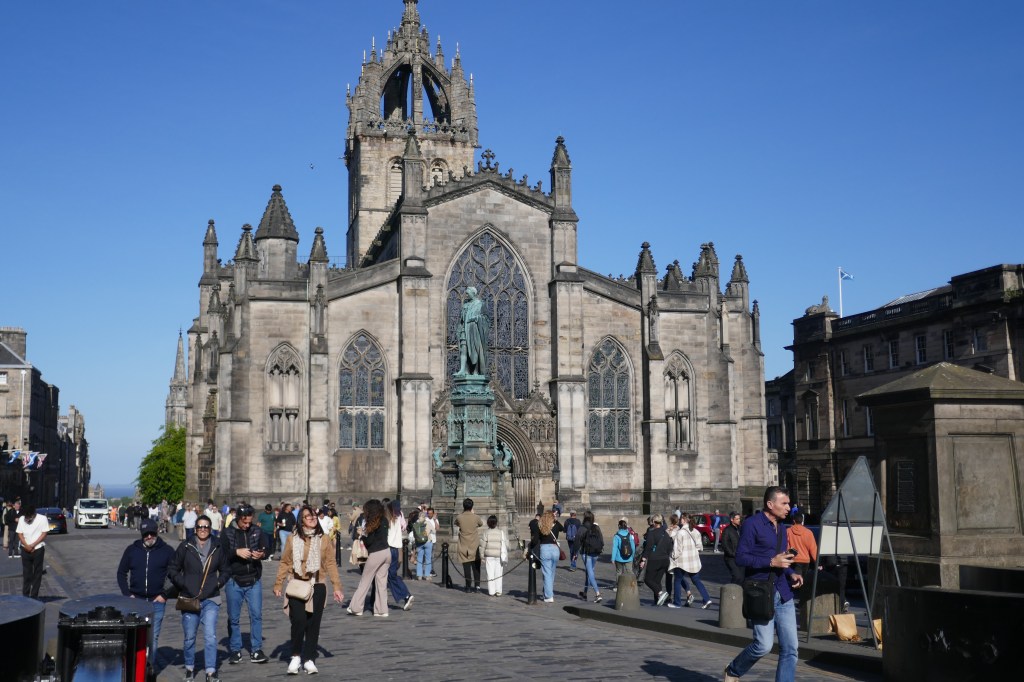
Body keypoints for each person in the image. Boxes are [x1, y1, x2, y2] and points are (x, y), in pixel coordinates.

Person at [724, 486, 803, 682]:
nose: (789, 508)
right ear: (770, 504)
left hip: (783, 592)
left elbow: (780, 558)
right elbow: (741, 557)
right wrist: (770, 562)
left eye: (789, 504)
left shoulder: (782, 528)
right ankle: (733, 670)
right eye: (784, 503)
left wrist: (791, 572)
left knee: (791, 648)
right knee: (763, 645)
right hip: (761, 592)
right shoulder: (752, 524)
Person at [273, 505, 344, 675]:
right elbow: (285, 562)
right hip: (297, 585)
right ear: (301, 520)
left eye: (313, 516)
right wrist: (278, 583)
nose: (312, 518)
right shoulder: (292, 538)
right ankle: (296, 656)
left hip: (317, 585)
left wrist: (337, 587)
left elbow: (330, 563)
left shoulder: (324, 539)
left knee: (313, 624)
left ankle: (309, 659)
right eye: (307, 516)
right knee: (298, 621)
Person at [168, 514, 229, 682]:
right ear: (195, 529)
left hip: (211, 598)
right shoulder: (185, 546)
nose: (203, 529)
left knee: (210, 635)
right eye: (200, 527)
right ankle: (189, 667)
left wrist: (218, 583)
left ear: (210, 529)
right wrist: (183, 583)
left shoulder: (217, 546)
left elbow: (226, 570)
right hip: (189, 598)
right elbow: (172, 568)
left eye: (206, 527)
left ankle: (210, 671)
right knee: (189, 637)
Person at [117, 518, 175, 667]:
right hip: (136, 600)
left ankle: (149, 669)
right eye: (146, 534)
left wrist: (165, 594)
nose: (149, 537)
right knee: (134, 636)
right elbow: (121, 573)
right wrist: (127, 594)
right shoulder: (132, 550)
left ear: (156, 532)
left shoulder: (167, 551)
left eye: (151, 533)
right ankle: (134, 668)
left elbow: (175, 574)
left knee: (153, 637)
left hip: (157, 601)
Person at [221, 504, 269, 665]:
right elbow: (221, 554)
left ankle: (256, 649)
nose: (247, 525)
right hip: (234, 580)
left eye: (249, 522)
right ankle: (235, 650)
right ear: (238, 519)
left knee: (256, 615)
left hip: (254, 579)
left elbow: (266, 548)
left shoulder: (256, 531)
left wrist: (261, 554)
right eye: (245, 523)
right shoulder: (227, 532)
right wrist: (236, 552)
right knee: (234, 618)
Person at [347, 499, 390, 617]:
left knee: (365, 581)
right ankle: (381, 610)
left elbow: (370, 541)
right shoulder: (384, 519)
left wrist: (362, 535)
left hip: (376, 553)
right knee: (381, 582)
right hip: (387, 552)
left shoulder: (373, 522)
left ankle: (356, 607)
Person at [668, 513, 712, 609]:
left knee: (677, 580)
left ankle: (677, 602)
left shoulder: (680, 533)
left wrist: (673, 557)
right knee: (696, 580)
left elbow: (677, 550)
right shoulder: (696, 531)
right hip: (693, 560)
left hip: (682, 561)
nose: (680, 520)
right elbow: (700, 547)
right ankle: (707, 599)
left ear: (683, 520)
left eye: (681, 519)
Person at [529, 510, 564, 603]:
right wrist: (556, 520)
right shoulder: (555, 525)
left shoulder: (541, 526)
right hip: (555, 549)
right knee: (551, 573)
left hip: (545, 549)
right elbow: (562, 528)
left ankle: (549, 596)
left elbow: (535, 540)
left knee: (547, 573)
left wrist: (531, 546)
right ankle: (548, 593)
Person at [385, 500, 414, 610]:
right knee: (389, 575)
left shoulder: (388, 517)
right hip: (396, 549)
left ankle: (406, 595)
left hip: (388, 548)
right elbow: (404, 527)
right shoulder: (400, 515)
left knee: (389, 576)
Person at [639, 514, 671, 606]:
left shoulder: (652, 533)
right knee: (656, 581)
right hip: (665, 560)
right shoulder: (666, 533)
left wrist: (643, 560)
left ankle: (660, 593)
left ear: (653, 522)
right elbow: (669, 547)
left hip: (655, 560)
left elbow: (648, 548)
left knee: (648, 579)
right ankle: (658, 600)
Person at [17, 505, 48, 598]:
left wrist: (33, 544)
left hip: (38, 548)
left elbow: (44, 533)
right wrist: (27, 546)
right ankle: (25, 595)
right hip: (25, 549)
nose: (27, 519)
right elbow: (20, 533)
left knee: (37, 573)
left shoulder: (42, 519)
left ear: (34, 515)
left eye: (29, 517)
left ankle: (34, 595)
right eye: (26, 517)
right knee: (26, 573)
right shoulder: (22, 519)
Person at [456, 286, 488, 375]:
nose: (466, 295)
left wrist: (476, 318)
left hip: (474, 330)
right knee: (463, 349)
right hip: (464, 329)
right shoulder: (465, 305)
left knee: (475, 350)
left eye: (467, 293)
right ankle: (463, 369)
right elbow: (461, 320)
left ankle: (476, 371)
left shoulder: (480, 304)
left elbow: (486, 318)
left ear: (473, 293)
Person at [454, 497, 483, 592]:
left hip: (464, 545)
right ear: (472, 507)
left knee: (466, 567)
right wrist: (473, 514)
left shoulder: (459, 517)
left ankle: (468, 586)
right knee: (476, 567)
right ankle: (477, 586)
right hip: (474, 545)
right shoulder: (476, 517)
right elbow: (481, 523)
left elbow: (456, 523)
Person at [576, 510, 604, 603]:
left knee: (590, 573)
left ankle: (598, 594)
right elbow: (601, 540)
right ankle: (585, 593)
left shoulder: (582, 528)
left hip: (586, 553)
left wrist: (574, 554)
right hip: (595, 553)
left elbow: (577, 541)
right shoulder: (596, 527)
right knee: (589, 572)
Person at [480, 515, 508, 596]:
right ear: (496, 523)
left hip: (489, 556)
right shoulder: (501, 532)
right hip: (499, 555)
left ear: (488, 523)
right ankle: (498, 590)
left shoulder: (486, 532)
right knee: (498, 574)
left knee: (490, 573)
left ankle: (491, 591)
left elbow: (482, 546)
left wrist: (482, 556)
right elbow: (506, 544)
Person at [786, 512, 817, 581]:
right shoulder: (808, 532)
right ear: (802, 521)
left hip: (793, 560)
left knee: (794, 582)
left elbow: (785, 546)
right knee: (802, 581)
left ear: (793, 520)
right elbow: (813, 549)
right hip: (805, 561)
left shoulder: (788, 531)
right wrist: (817, 562)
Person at [721, 511, 745, 585]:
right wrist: (732, 553)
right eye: (737, 519)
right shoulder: (727, 530)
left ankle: (739, 593)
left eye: (739, 519)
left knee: (742, 577)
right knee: (736, 576)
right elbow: (724, 545)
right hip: (731, 557)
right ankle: (731, 592)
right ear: (732, 519)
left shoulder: (740, 529)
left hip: (741, 556)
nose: (739, 520)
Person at [413, 506, 436, 581]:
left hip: (419, 542)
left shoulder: (416, 523)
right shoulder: (427, 522)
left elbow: (414, 534)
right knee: (428, 559)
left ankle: (419, 575)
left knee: (419, 559)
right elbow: (434, 531)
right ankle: (427, 575)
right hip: (428, 542)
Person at [611, 519, 635, 583]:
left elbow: (615, 548)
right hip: (629, 557)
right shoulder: (629, 535)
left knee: (619, 572)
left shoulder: (617, 536)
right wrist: (632, 555)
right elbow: (633, 546)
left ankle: (618, 586)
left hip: (619, 558)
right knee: (630, 571)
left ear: (619, 526)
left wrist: (613, 558)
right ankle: (633, 584)